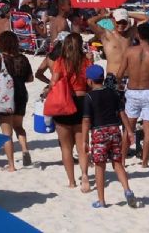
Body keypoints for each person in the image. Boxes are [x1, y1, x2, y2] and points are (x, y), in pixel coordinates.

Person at [82, 64, 137, 209]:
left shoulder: (89, 97)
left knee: (100, 167)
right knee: (118, 163)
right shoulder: (113, 93)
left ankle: (101, 200)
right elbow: (122, 113)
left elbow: (86, 120)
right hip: (114, 130)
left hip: (99, 132)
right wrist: (130, 131)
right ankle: (127, 190)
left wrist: (84, 140)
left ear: (90, 81)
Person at [117, 23, 149, 168]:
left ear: (138, 35)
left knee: (128, 128)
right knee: (148, 129)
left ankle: (123, 160)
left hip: (132, 91)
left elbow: (119, 74)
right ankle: (144, 162)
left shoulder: (129, 51)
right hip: (148, 92)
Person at [51, 32, 92, 190]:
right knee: (82, 145)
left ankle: (72, 181)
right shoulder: (86, 61)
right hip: (82, 102)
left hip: (64, 102)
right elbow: (89, 82)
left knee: (66, 147)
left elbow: (54, 82)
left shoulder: (60, 61)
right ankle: (85, 175)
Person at [0, 30, 33, 170]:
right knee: (19, 126)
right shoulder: (23, 58)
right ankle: (25, 149)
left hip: (5, 97)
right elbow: (30, 78)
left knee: (6, 133)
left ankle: (11, 165)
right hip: (21, 95)